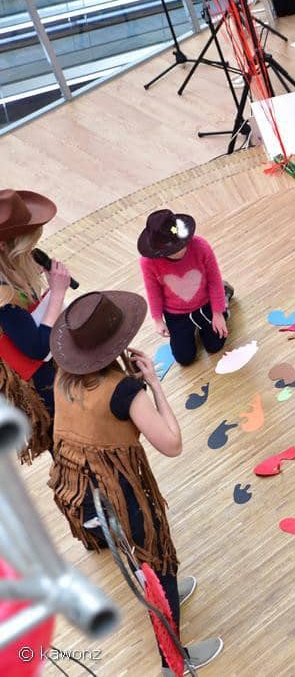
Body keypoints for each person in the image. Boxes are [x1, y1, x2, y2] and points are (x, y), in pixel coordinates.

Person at [47, 291, 222, 674]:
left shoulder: (63, 376)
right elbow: (172, 443)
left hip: (79, 492)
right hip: (120, 495)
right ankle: (172, 663)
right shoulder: (125, 391)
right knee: (158, 564)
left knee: (137, 557)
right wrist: (153, 385)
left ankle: (160, 589)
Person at [0, 189, 72, 464]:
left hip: (49, 371)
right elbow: (37, 348)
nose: (32, 251)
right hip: (39, 383)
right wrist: (57, 294)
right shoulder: (2, 295)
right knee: (68, 446)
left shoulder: (9, 270)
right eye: (27, 245)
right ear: (5, 247)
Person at [138, 209, 233, 366]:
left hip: (205, 304)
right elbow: (153, 292)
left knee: (215, 346)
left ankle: (224, 297)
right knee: (184, 358)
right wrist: (157, 320)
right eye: (170, 250)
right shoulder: (148, 262)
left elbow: (214, 280)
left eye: (180, 245)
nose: (178, 251)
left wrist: (218, 313)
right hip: (175, 313)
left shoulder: (201, 246)